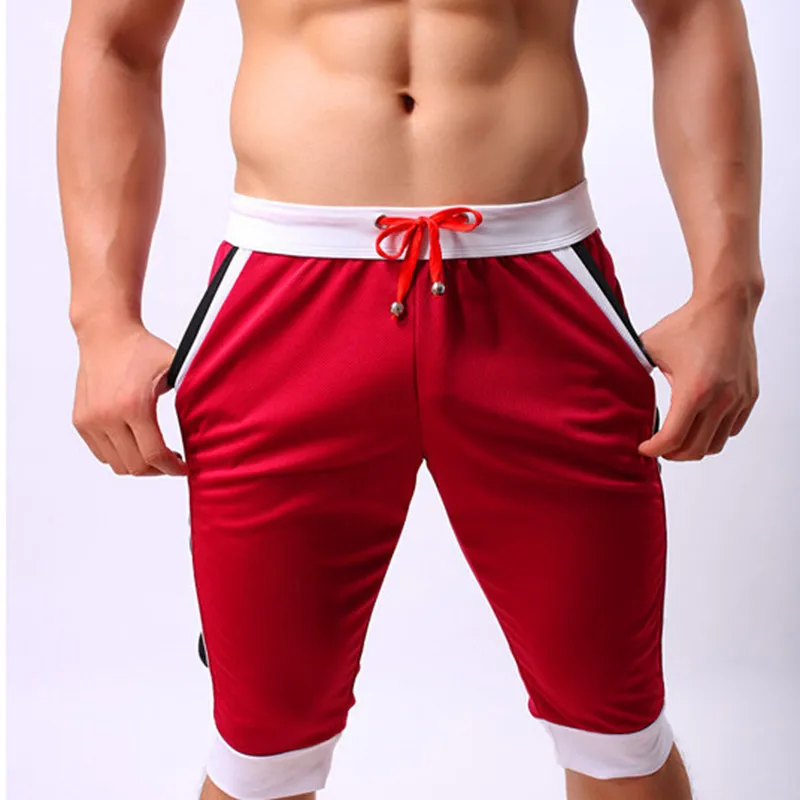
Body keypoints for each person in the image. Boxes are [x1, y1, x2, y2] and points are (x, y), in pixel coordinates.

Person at [56, 0, 764, 798]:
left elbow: (691, 14)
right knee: (261, 749)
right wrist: (102, 320)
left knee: (617, 730)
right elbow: (114, 40)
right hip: (286, 291)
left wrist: (728, 292)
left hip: (538, 281)